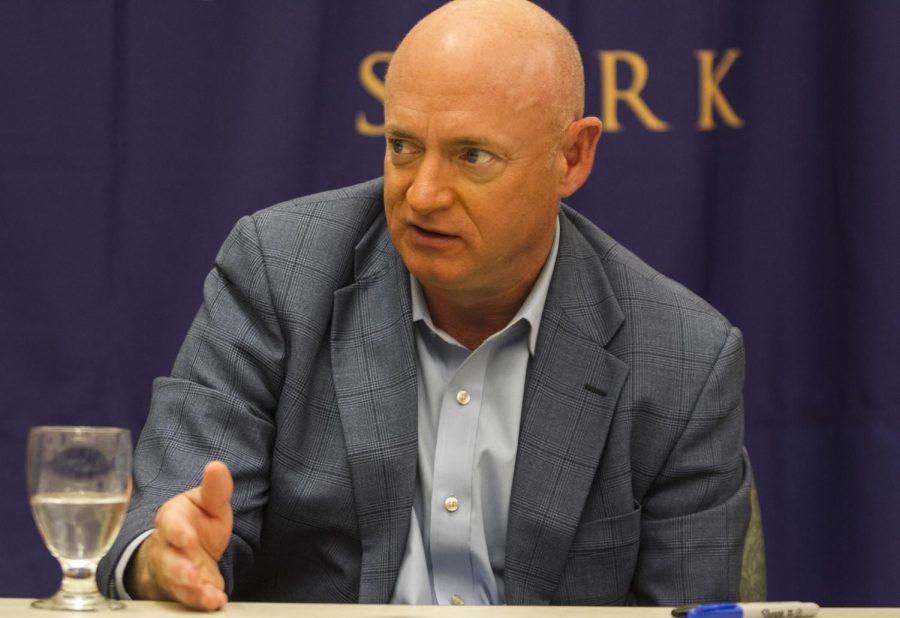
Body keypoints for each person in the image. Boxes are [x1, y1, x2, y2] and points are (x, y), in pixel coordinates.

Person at [98, 0, 751, 610]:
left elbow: (688, 611)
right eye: (403, 147)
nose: (423, 195)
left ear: (572, 156)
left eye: (472, 156)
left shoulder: (684, 361)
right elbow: (173, 516)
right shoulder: (279, 272)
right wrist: (165, 558)